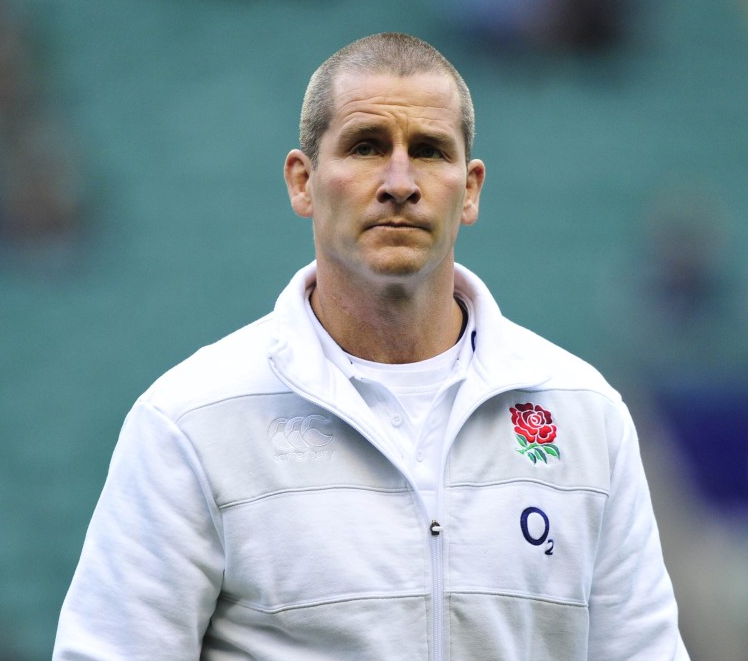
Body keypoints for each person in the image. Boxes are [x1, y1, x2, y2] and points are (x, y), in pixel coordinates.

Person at [53, 32, 689, 660]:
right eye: (365, 147)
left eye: (431, 151)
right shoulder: (190, 421)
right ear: (303, 182)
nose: (400, 182)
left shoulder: (585, 414)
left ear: (469, 190)